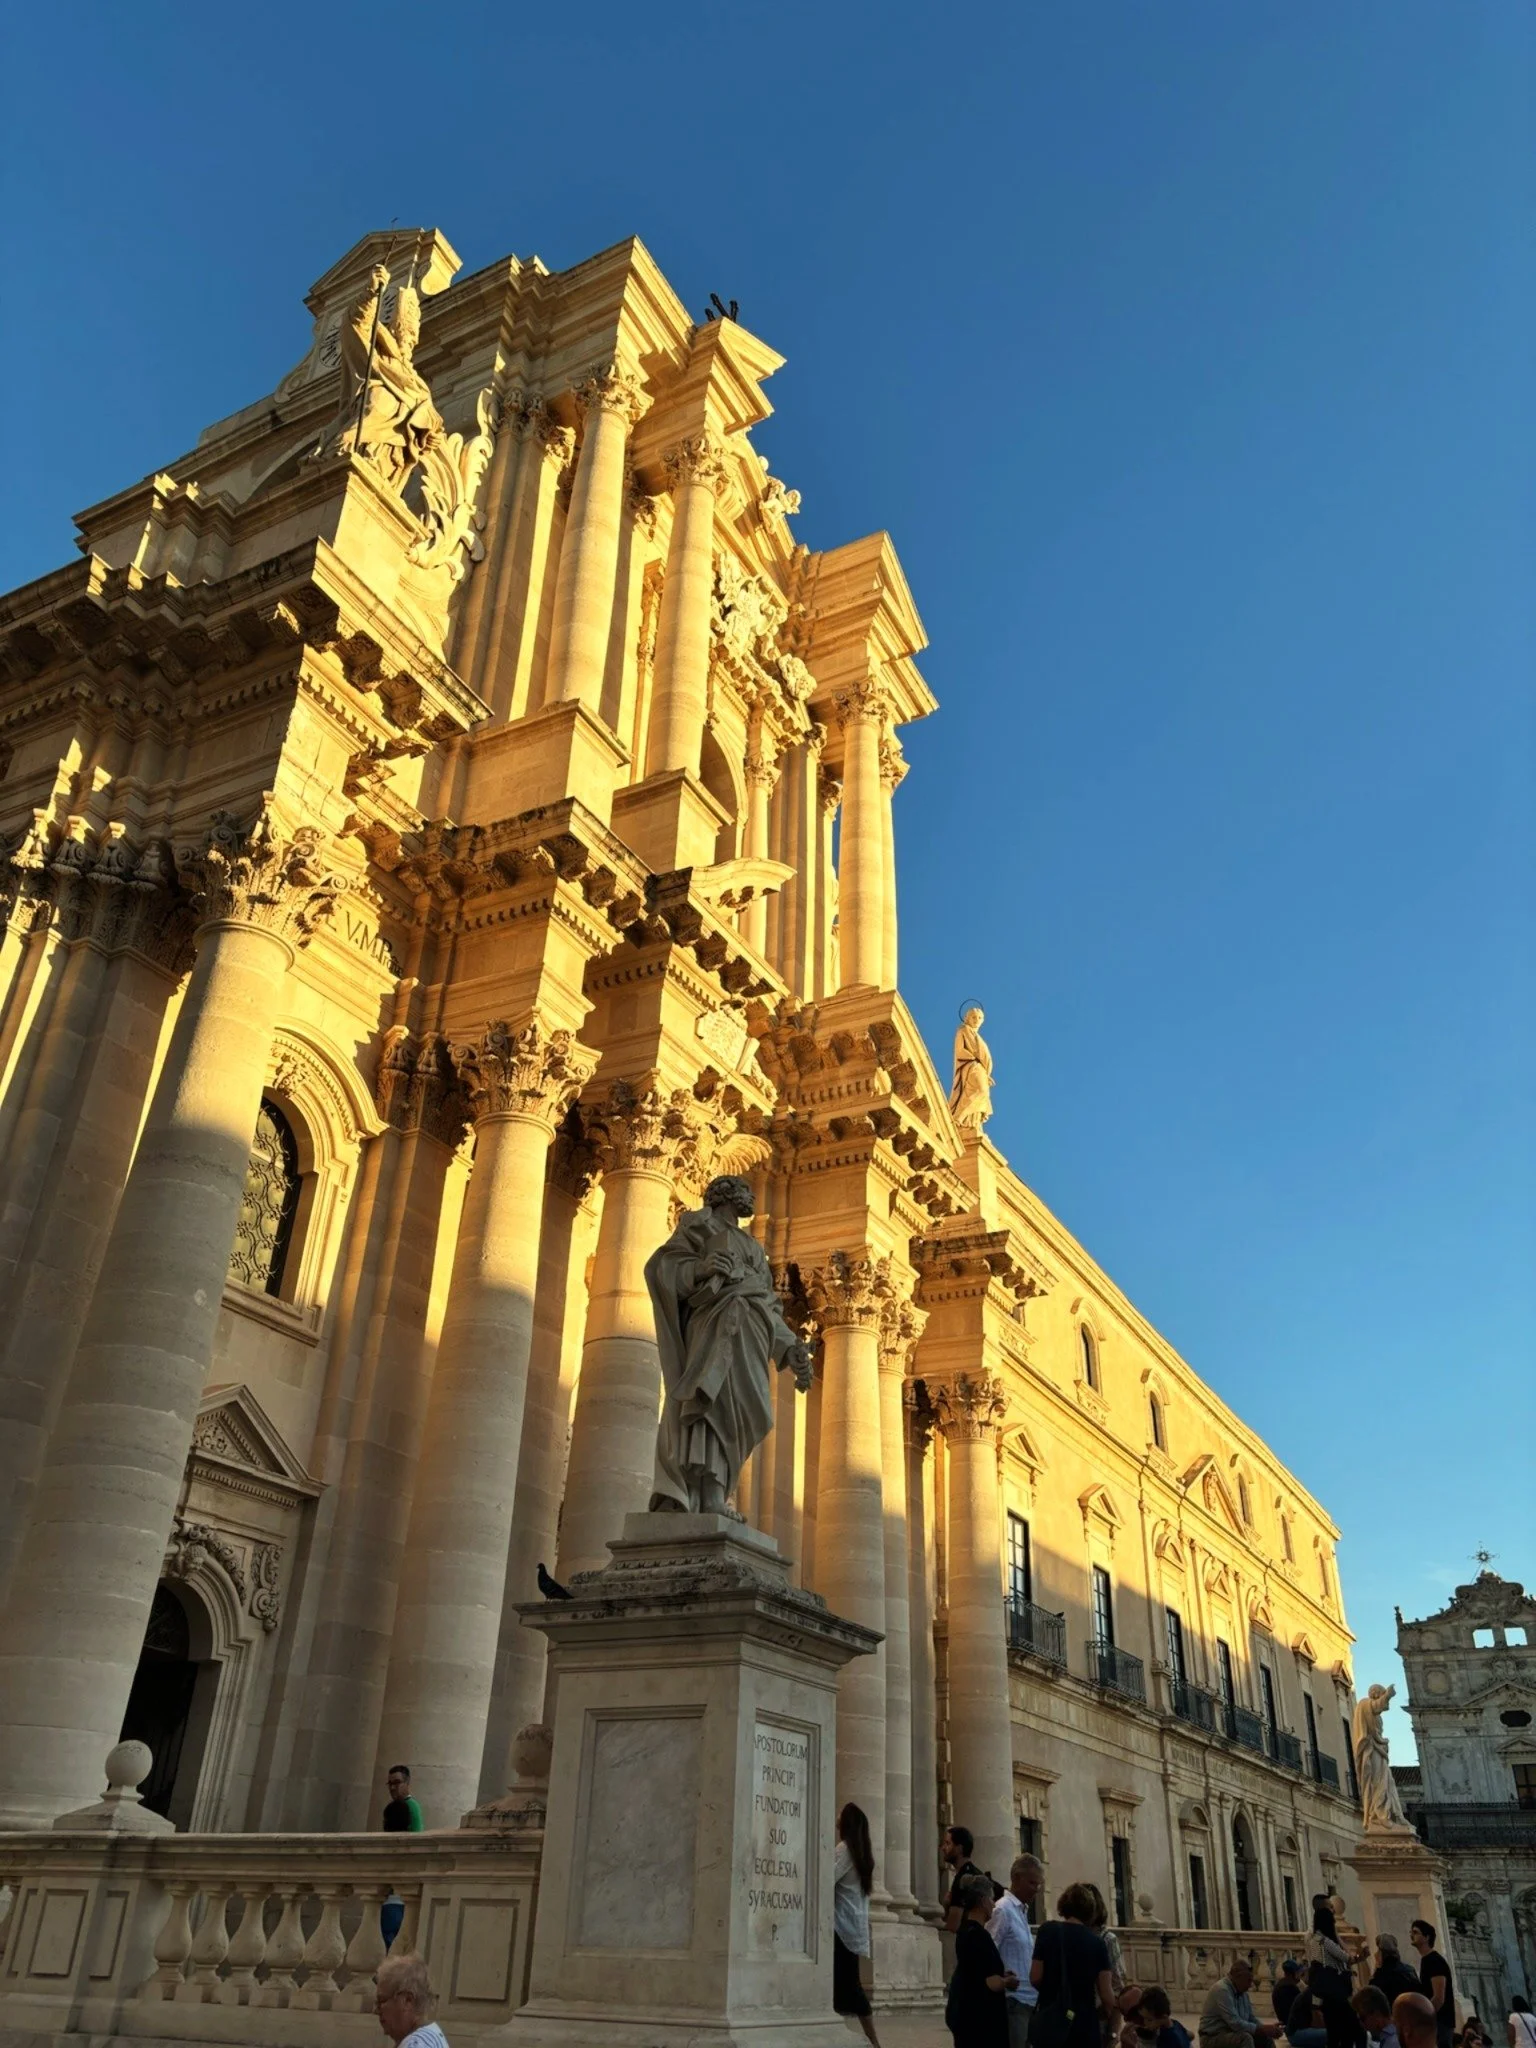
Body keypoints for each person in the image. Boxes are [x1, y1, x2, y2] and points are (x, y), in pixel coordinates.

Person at [1029, 1881, 1117, 2048]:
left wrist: (1053, 1992)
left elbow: (1035, 1977)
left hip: (1052, 2020)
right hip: (1084, 2023)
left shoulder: (1048, 1931)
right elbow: (1106, 1994)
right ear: (1090, 1910)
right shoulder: (1097, 1943)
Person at [948, 1871, 1018, 2048]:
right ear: (983, 1901)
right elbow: (989, 1982)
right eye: (992, 1899)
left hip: (966, 2016)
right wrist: (1007, 1981)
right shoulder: (980, 1936)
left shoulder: (965, 1931)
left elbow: (975, 1971)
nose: (994, 1904)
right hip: (982, 2021)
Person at [833, 1802, 881, 2048]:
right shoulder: (862, 1853)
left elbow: (826, 1877)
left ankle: (873, 2041)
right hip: (852, 1926)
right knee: (848, 1984)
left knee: (848, 1985)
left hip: (840, 1926)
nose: (836, 1816)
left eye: (840, 1813)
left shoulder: (844, 1850)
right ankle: (870, 2039)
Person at [988, 1855, 1045, 2048]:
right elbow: (988, 1950)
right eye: (1032, 1883)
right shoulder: (1003, 1909)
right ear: (1017, 1878)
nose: (1036, 1889)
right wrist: (1001, 1977)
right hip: (1013, 2001)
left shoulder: (1021, 1911)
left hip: (1029, 2000)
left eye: (1038, 1884)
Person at [380, 1765, 423, 1949]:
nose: (392, 1787)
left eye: (397, 1783)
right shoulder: (402, 1806)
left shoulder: (410, 1806)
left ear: (407, 1783)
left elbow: (415, 1844)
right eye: (390, 1783)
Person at [1306, 1899, 1359, 2048]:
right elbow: (1347, 1958)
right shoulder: (1325, 1941)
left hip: (1323, 1991)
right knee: (1350, 2029)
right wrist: (1360, 1956)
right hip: (1335, 1992)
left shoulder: (1313, 1940)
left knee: (1333, 2032)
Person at [1199, 1957, 1284, 2048]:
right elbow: (1235, 2023)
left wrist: (1267, 2029)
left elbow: (1250, 2018)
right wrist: (1263, 2029)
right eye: (1248, 1980)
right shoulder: (1222, 1990)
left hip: (1230, 2033)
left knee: (1265, 2037)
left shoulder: (1243, 1993)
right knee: (1245, 2038)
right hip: (1211, 2037)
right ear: (1237, 1977)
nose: (1250, 1985)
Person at [375, 1952, 448, 2048]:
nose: (376, 2010)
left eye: (382, 2001)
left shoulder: (417, 2044)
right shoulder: (427, 2037)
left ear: (407, 2000)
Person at [944, 1826, 1001, 1931]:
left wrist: (947, 1906)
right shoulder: (977, 1874)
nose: (943, 1848)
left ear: (959, 1848)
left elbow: (952, 1927)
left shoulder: (963, 1881)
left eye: (948, 1843)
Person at [1409, 1923, 1455, 2048]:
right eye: (1411, 1932)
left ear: (1427, 1937)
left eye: (1415, 1932)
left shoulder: (1434, 1961)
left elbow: (1439, 1998)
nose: (1411, 1935)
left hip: (1441, 2023)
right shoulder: (1427, 1960)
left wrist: (1423, 2019)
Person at [1372, 1939, 1421, 2004]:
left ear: (1382, 1954)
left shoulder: (1382, 1975)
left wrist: (1377, 1967)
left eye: (1378, 1951)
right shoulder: (1410, 1969)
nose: (1375, 1954)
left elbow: (1372, 1997)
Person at [1274, 1963, 1304, 2028]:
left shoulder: (1281, 1984)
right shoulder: (1289, 1987)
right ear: (1293, 1974)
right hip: (1295, 2028)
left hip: (1289, 2025)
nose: (1300, 1976)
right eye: (1298, 1973)